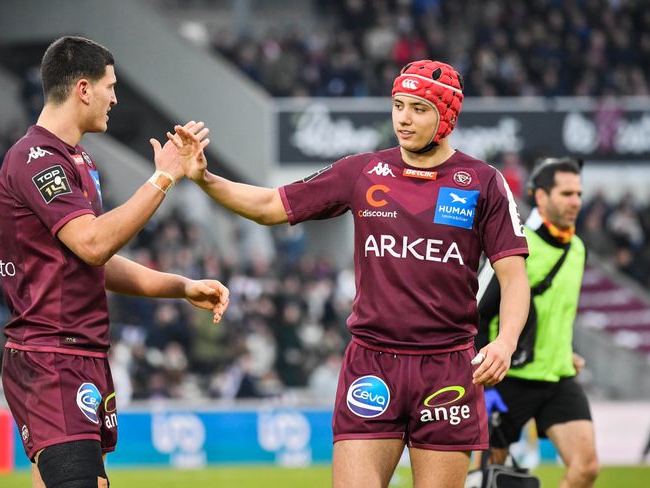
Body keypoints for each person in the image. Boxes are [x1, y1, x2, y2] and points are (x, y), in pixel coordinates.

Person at [171, 60, 530, 488]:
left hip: (448, 367)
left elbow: (513, 276)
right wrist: (205, 178)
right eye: (398, 105)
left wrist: (506, 342)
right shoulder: (361, 171)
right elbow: (269, 206)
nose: (403, 118)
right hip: (372, 363)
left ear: (447, 115)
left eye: (418, 108)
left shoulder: (484, 182)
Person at [0, 36, 230, 488]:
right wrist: (163, 177)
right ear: (83, 89)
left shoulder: (79, 159)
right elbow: (93, 244)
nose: (116, 98)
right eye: (110, 86)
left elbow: (93, 261)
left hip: (80, 355)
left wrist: (180, 286)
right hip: (52, 356)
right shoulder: (35, 159)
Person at [478, 157, 599, 487]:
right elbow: (478, 312)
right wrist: (483, 385)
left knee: (586, 468)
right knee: (486, 475)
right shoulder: (515, 245)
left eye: (579, 194)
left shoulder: (578, 249)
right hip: (507, 379)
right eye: (566, 193)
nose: (576, 201)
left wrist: (564, 350)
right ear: (541, 196)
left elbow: (559, 311)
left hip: (558, 377)